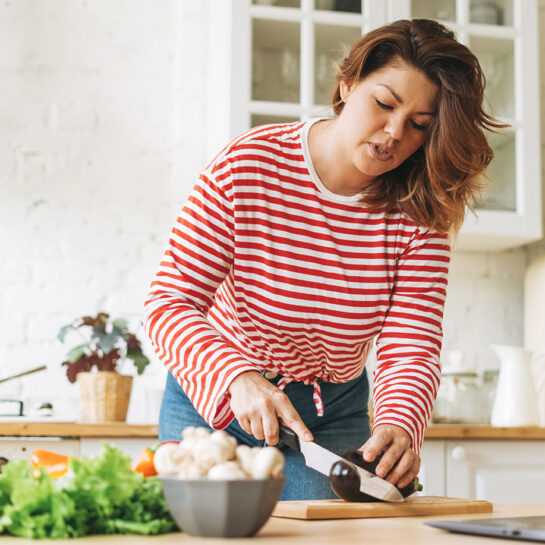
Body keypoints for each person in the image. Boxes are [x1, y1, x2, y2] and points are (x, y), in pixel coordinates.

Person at [145, 18, 502, 500]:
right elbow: (169, 301)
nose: (395, 133)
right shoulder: (246, 166)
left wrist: (399, 423)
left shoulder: (422, 209)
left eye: (419, 125)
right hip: (217, 397)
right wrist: (236, 378)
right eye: (384, 103)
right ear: (348, 83)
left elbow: (411, 339)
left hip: (329, 413)